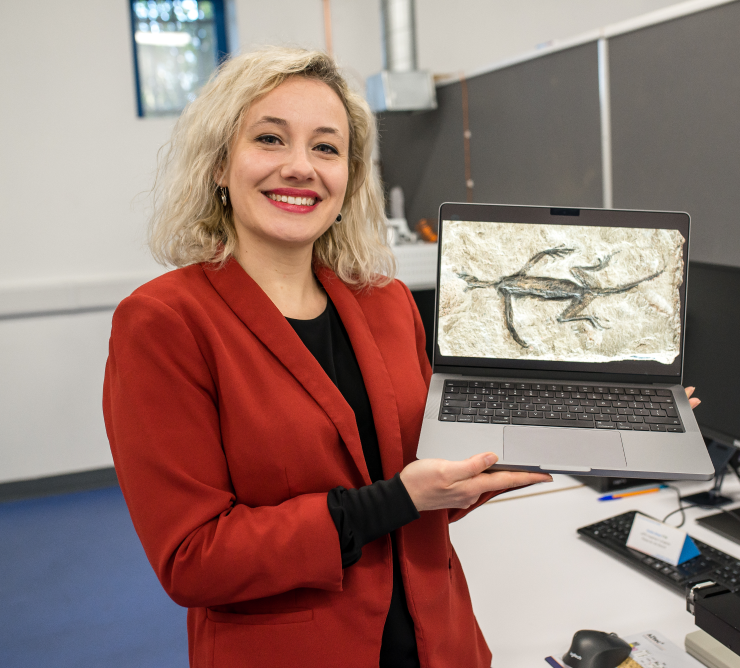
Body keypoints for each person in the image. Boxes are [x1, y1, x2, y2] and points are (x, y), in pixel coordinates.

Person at [103, 47, 554, 668]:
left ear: (349, 175)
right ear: (218, 165)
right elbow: (193, 558)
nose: (300, 167)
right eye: (269, 139)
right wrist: (396, 499)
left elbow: (429, 480)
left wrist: (571, 429)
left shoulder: (388, 303)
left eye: (325, 147)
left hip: (440, 642)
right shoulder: (165, 323)